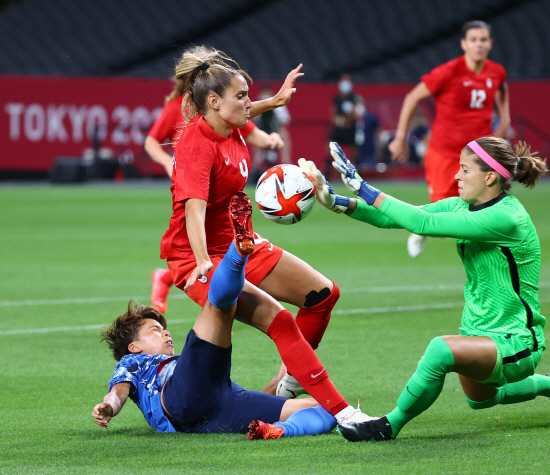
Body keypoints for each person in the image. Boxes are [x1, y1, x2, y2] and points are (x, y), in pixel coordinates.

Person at [299, 139, 550, 442]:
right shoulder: (462, 206)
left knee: (441, 350)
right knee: (482, 399)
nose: (457, 176)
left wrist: (363, 187)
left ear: (490, 177)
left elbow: (423, 223)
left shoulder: (507, 217)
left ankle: (387, 426)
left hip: (517, 341)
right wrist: (336, 201)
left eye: (465, 169)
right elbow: (394, 217)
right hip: (479, 331)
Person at [160, 46, 362, 412]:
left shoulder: (232, 123)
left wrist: (279, 100)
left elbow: (252, 111)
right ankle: (342, 412)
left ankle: (285, 388)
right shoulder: (197, 145)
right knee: (280, 321)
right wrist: (204, 260)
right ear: (214, 102)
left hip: (239, 243)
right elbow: (193, 209)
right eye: (241, 97)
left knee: (323, 295)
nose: (248, 104)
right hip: (198, 257)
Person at [92, 193, 351, 437]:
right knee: (220, 307)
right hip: (180, 397)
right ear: (133, 347)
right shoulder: (131, 364)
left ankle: (278, 430)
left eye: (163, 328)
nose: (166, 332)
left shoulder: (178, 364)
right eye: (155, 330)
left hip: (216, 407)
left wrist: (274, 389)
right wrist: (109, 407)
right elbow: (118, 392)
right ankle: (237, 253)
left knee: (326, 409)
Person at [145, 55, 285, 314]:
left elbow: (247, 119)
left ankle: (176, 275)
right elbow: (152, 141)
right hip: (194, 178)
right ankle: (194, 274)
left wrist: (270, 129)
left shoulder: (226, 112)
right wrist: (168, 163)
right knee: (194, 219)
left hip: (216, 191)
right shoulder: (180, 110)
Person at [387, 20, 511, 258]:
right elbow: (412, 97)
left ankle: (491, 258)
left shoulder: (496, 71)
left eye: (483, 40)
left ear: (490, 43)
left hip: (478, 154)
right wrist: (400, 137)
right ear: (463, 44)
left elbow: (502, 88)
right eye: (473, 40)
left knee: (482, 207)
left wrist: (504, 119)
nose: (478, 45)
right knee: (446, 214)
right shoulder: (449, 71)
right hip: (444, 152)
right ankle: (421, 229)